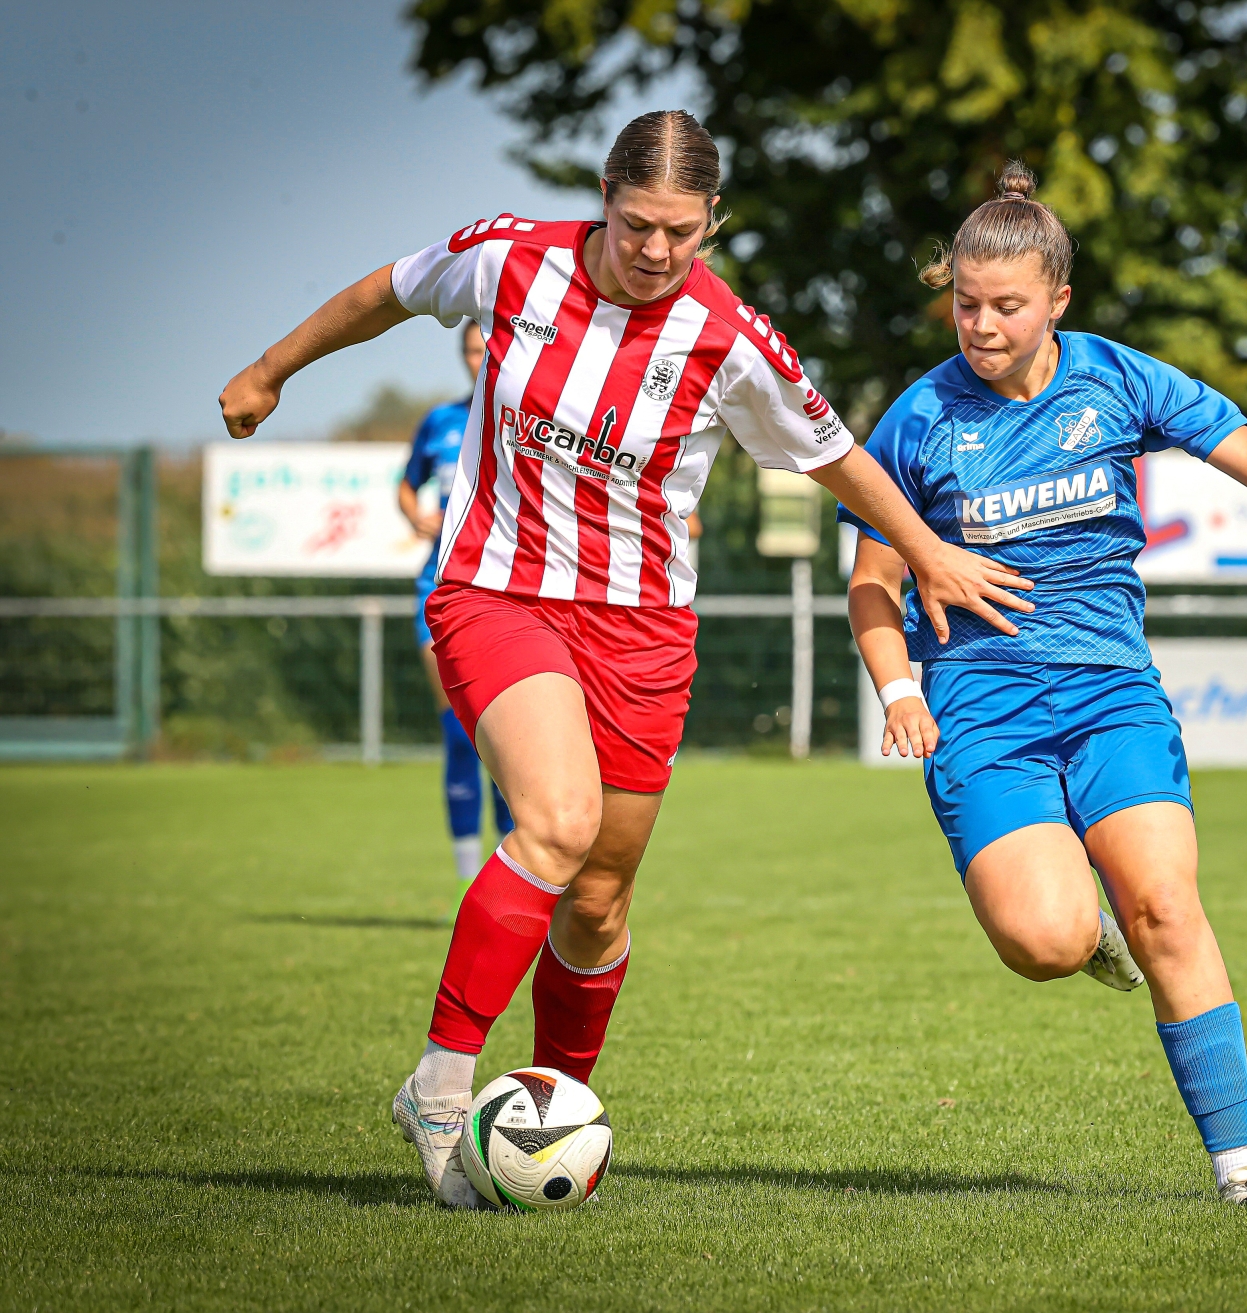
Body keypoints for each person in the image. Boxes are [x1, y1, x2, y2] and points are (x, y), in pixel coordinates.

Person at [218, 110, 1032, 1209]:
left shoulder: (730, 338)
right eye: (638, 223)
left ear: (712, 221)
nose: (656, 250)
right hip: (497, 593)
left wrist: (927, 551)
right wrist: (272, 368)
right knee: (557, 823)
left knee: (599, 896)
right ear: (604, 197)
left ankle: (550, 1119)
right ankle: (441, 1083)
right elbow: (386, 292)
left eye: (681, 231)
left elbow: (836, 455)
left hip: (644, 630)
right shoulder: (509, 259)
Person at [840, 162, 1247, 1211]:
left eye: (1006, 306)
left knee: (1166, 905)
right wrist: (900, 691)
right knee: (1045, 940)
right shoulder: (919, 418)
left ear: (1058, 298)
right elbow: (873, 584)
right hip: (981, 710)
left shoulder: (1116, 377)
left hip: (1112, 695)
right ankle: (1086, 931)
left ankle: (1242, 1174)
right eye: (966, 304)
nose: (981, 325)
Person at [397, 319, 514, 886]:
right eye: (470, 350)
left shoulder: (528, 417)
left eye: (486, 348)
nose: (478, 359)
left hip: (505, 591)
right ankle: (469, 883)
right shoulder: (440, 421)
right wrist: (416, 515)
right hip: (439, 585)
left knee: (510, 738)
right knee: (460, 731)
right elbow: (407, 484)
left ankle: (512, 881)